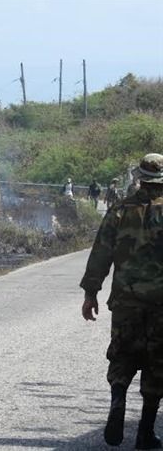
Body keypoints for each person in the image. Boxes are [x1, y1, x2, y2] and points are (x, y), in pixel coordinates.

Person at [80, 153, 163, 449]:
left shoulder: (119, 210)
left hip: (126, 302)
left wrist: (91, 293)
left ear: (140, 177)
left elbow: (100, 254)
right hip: (160, 304)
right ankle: (144, 433)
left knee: (122, 355)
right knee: (157, 365)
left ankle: (117, 401)